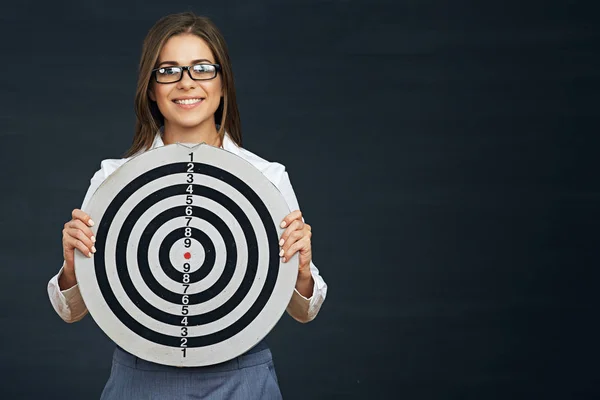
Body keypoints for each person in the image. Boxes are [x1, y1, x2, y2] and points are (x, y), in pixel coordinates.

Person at [47, 12, 327, 399]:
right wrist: (70, 266)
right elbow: (73, 310)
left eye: (202, 69)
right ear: (150, 87)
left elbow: (303, 310)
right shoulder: (113, 180)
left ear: (223, 81)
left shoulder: (267, 178)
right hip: (140, 379)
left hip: (242, 379)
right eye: (169, 71)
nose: (186, 83)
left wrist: (301, 270)